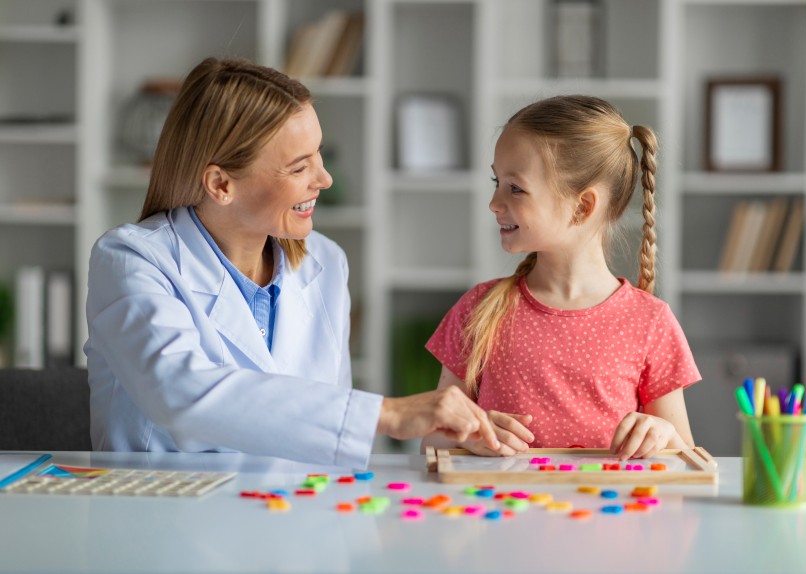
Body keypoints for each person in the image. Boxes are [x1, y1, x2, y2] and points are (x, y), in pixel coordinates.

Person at [85, 57, 500, 468]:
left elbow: (323, 444)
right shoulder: (131, 261)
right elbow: (180, 393)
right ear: (221, 184)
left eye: (318, 155)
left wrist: (455, 437)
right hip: (159, 518)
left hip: (289, 514)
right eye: (300, 166)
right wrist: (389, 414)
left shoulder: (325, 262)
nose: (324, 179)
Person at [421, 96, 700, 460]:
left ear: (583, 206)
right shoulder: (478, 309)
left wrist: (663, 436)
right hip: (502, 514)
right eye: (497, 181)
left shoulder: (651, 322)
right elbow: (431, 443)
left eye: (515, 187)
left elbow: (687, 458)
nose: (494, 201)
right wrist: (469, 434)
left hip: (610, 516)